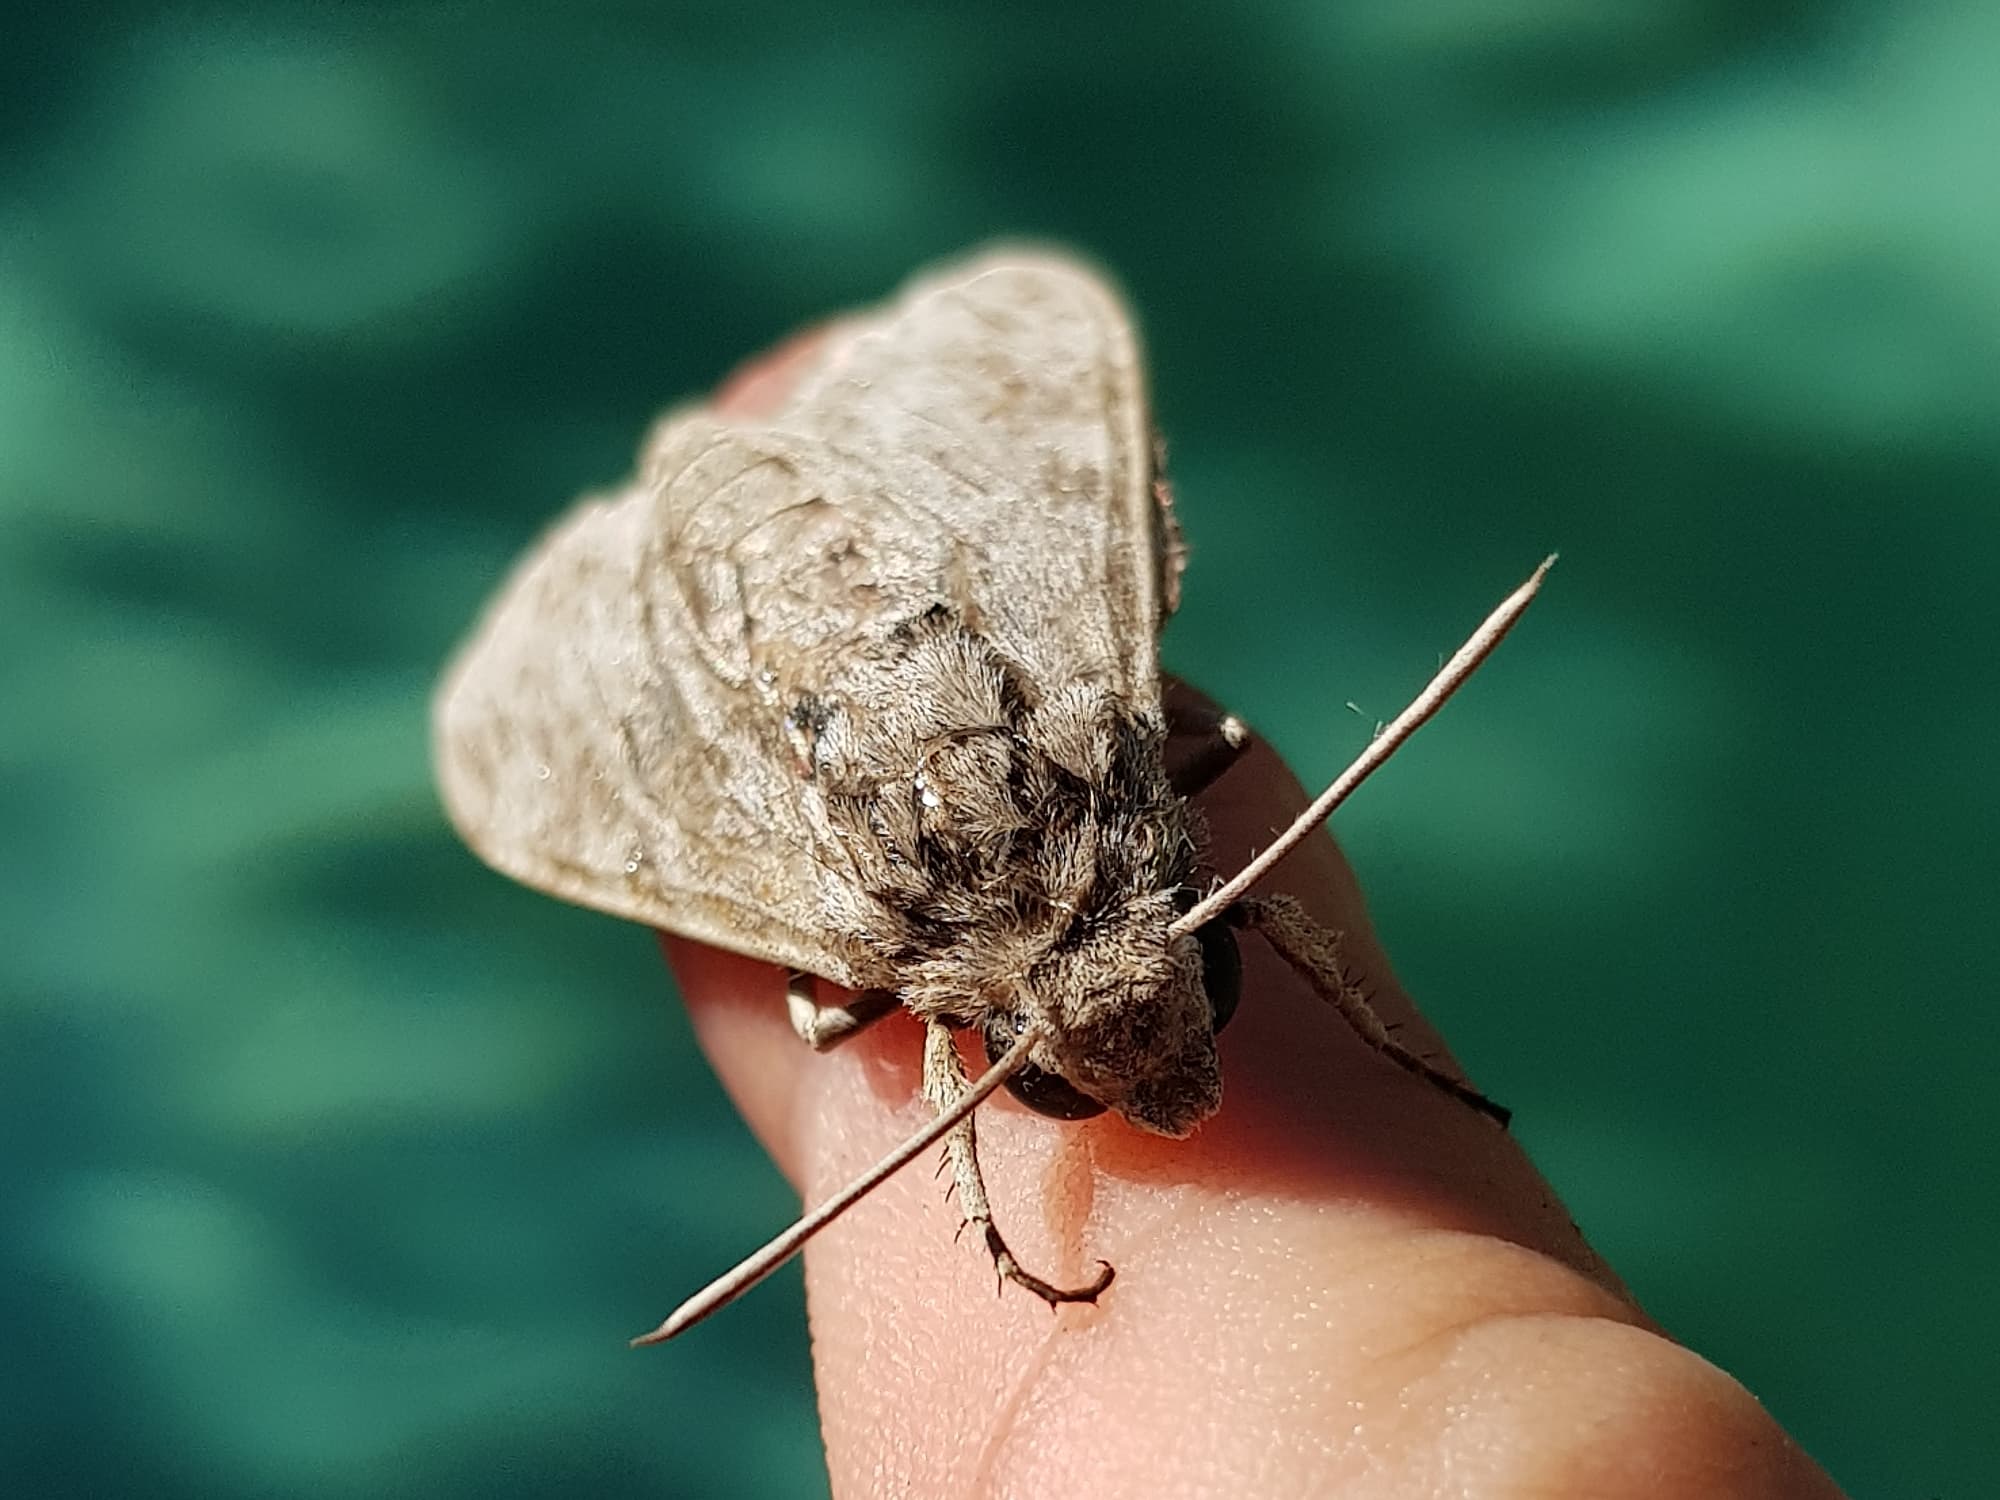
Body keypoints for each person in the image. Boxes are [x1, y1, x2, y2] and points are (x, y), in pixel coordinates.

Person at [662, 335, 1845, 1498]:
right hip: (840, 601)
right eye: (1052, 1077)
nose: (1171, 1090)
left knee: (826, 1018)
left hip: (818, 606)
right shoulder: (946, 957)